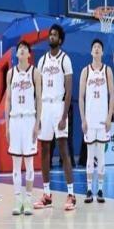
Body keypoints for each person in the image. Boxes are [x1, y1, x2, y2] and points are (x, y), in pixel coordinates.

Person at [34, 24, 76, 211]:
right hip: (45, 106)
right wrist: (38, 114)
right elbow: (38, 90)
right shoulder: (42, 61)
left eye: (55, 35)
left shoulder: (65, 59)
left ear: (60, 39)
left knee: (63, 149)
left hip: (59, 105)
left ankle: (71, 194)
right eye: (50, 34)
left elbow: (69, 90)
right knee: (44, 150)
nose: (51, 37)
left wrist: (64, 115)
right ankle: (46, 194)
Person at [6, 41, 42, 216]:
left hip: (28, 120)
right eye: (19, 48)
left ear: (29, 54)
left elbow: (39, 99)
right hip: (15, 120)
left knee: (29, 163)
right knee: (15, 164)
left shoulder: (35, 73)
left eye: (25, 49)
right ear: (16, 53)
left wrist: (37, 123)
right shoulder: (10, 73)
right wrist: (7, 125)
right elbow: (7, 100)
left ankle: (28, 200)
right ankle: (17, 200)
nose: (21, 50)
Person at [78, 39, 114, 204]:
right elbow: (80, 97)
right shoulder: (85, 71)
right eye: (94, 47)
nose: (97, 49)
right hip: (90, 120)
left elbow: (112, 96)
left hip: (102, 120)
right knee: (89, 156)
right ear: (91, 51)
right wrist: (83, 119)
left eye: (99, 47)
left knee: (101, 156)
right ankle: (88, 190)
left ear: (102, 52)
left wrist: (109, 117)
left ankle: (100, 190)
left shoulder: (107, 70)